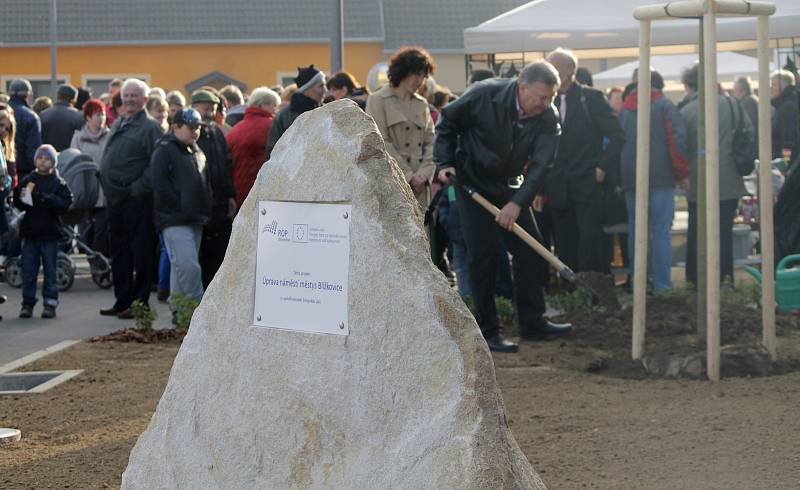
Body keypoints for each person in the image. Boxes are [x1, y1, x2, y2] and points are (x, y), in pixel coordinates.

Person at [434, 60, 573, 353]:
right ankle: (488, 331)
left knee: (531, 250)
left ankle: (533, 322)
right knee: (483, 255)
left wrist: (516, 203)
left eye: (550, 98)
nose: (547, 104)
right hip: (472, 184)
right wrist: (444, 162)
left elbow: (541, 165)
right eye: (542, 97)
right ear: (523, 88)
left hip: (511, 185)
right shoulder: (484, 95)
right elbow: (447, 122)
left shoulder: (548, 117)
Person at [544, 48, 625, 274]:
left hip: (587, 182)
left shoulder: (590, 98)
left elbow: (618, 136)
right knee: (564, 241)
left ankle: (594, 290)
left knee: (590, 241)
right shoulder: (545, 101)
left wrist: (601, 168)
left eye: (553, 67)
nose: (548, 72)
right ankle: (572, 291)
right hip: (558, 185)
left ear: (569, 71)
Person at [98, 78, 165, 319]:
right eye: (126, 96)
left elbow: (155, 165)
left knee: (141, 253)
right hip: (115, 200)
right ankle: (122, 300)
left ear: (145, 100)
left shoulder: (150, 128)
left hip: (136, 200)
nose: (129, 100)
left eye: (134, 96)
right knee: (119, 252)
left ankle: (139, 304)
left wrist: (137, 188)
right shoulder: (120, 122)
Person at [680, 64, 751, 284]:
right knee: (724, 233)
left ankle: (695, 279)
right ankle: (725, 278)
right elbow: (748, 133)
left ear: (688, 85)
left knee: (696, 233)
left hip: (697, 181)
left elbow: (680, 146)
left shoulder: (685, 112)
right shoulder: (733, 105)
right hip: (729, 180)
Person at [619, 70, 688, 292]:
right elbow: (677, 140)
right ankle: (662, 285)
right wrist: (681, 173)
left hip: (631, 179)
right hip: (661, 178)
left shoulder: (624, 110)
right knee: (660, 232)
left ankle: (638, 283)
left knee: (636, 231)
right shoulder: (665, 106)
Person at [150, 107, 210, 319]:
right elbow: (159, 183)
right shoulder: (164, 150)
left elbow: (204, 182)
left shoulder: (196, 150)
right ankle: (197, 311)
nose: (195, 131)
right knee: (188, 267)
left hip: (194, 218)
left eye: (198, 127)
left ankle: (180, 312)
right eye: (191, 127)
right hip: (175, 219)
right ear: (175, 126)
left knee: (180, 268)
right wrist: (178, 207)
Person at [367, 47, 437, 211]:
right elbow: (380, 142)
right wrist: (408, 176)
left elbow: (432, 142)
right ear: (403, 71)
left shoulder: (422, 104)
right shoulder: (377, 100)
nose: (420, 80)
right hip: (392, 185)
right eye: (417, 74)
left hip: (420, 189)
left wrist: (424, 174)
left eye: (424, 76)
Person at [13, 144, 73, 319]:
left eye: (47, 158)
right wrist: (23, 197)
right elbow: (20, 202)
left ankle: (50, 303)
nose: (42, 161)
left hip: (49, 234)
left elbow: (66, 202)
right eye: (40, 158)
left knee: (50, 271)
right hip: (31, 233)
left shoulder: (58, 182)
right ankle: (27, 303)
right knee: (29, 271)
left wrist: (50, 200)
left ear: (53, 162)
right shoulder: (30, 180)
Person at [191, 89, 236, 288]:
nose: (209, 113)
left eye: (212, 109)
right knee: (203, 258)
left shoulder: (217, 132)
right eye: (205, 108)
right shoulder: (191, 135)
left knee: (219, 255)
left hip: (220, 203)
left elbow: (226, 166)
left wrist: (230, 196)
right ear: (194, 108)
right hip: (201, 204)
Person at [226, 87, 280, 208]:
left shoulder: (234, 130)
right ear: (261, 105)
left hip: (239, 193)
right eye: (274, 106)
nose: (276, 110)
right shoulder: (272, 126)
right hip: (264, 193)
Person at [70, 98, 111, 258]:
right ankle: (91, 257)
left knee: (102, 229)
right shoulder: (78, 138)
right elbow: (74, 162)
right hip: (85, 190)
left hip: (104, 191)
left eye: (102, 115)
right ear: (88, 117)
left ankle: (100, 261)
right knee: (85, 229)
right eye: (97, 115)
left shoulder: (109, 136)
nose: (101, 118)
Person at [266, 66, 325, 158]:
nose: (325, 90)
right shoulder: (284, 116)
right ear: (307, 89)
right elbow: (272, 152)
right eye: (321, 86)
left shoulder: (325, 111)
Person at [8, 79, 43, 180]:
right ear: (27, 96)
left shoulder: (3, 112)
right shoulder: (31, 117)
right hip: (23, 174)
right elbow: (33, 149)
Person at [40, 84, 84, 151]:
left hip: (48, 157)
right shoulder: (79, 116)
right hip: (70, 157)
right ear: (74, 100)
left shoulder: (43, 114)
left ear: (58, 96)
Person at [770, 69, 799, 164]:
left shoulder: (787, 107)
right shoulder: (783, 106)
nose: (771, 88)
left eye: (773, 85)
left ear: (783, 87)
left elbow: (788, 140)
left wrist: (785, 163)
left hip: (784, 164)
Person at [733, 76, 760, 143]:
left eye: (735, 90)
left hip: (752, 146)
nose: (734, 93)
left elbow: (751, 126)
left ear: (741, 90)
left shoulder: (748, 102)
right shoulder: (751, 99)